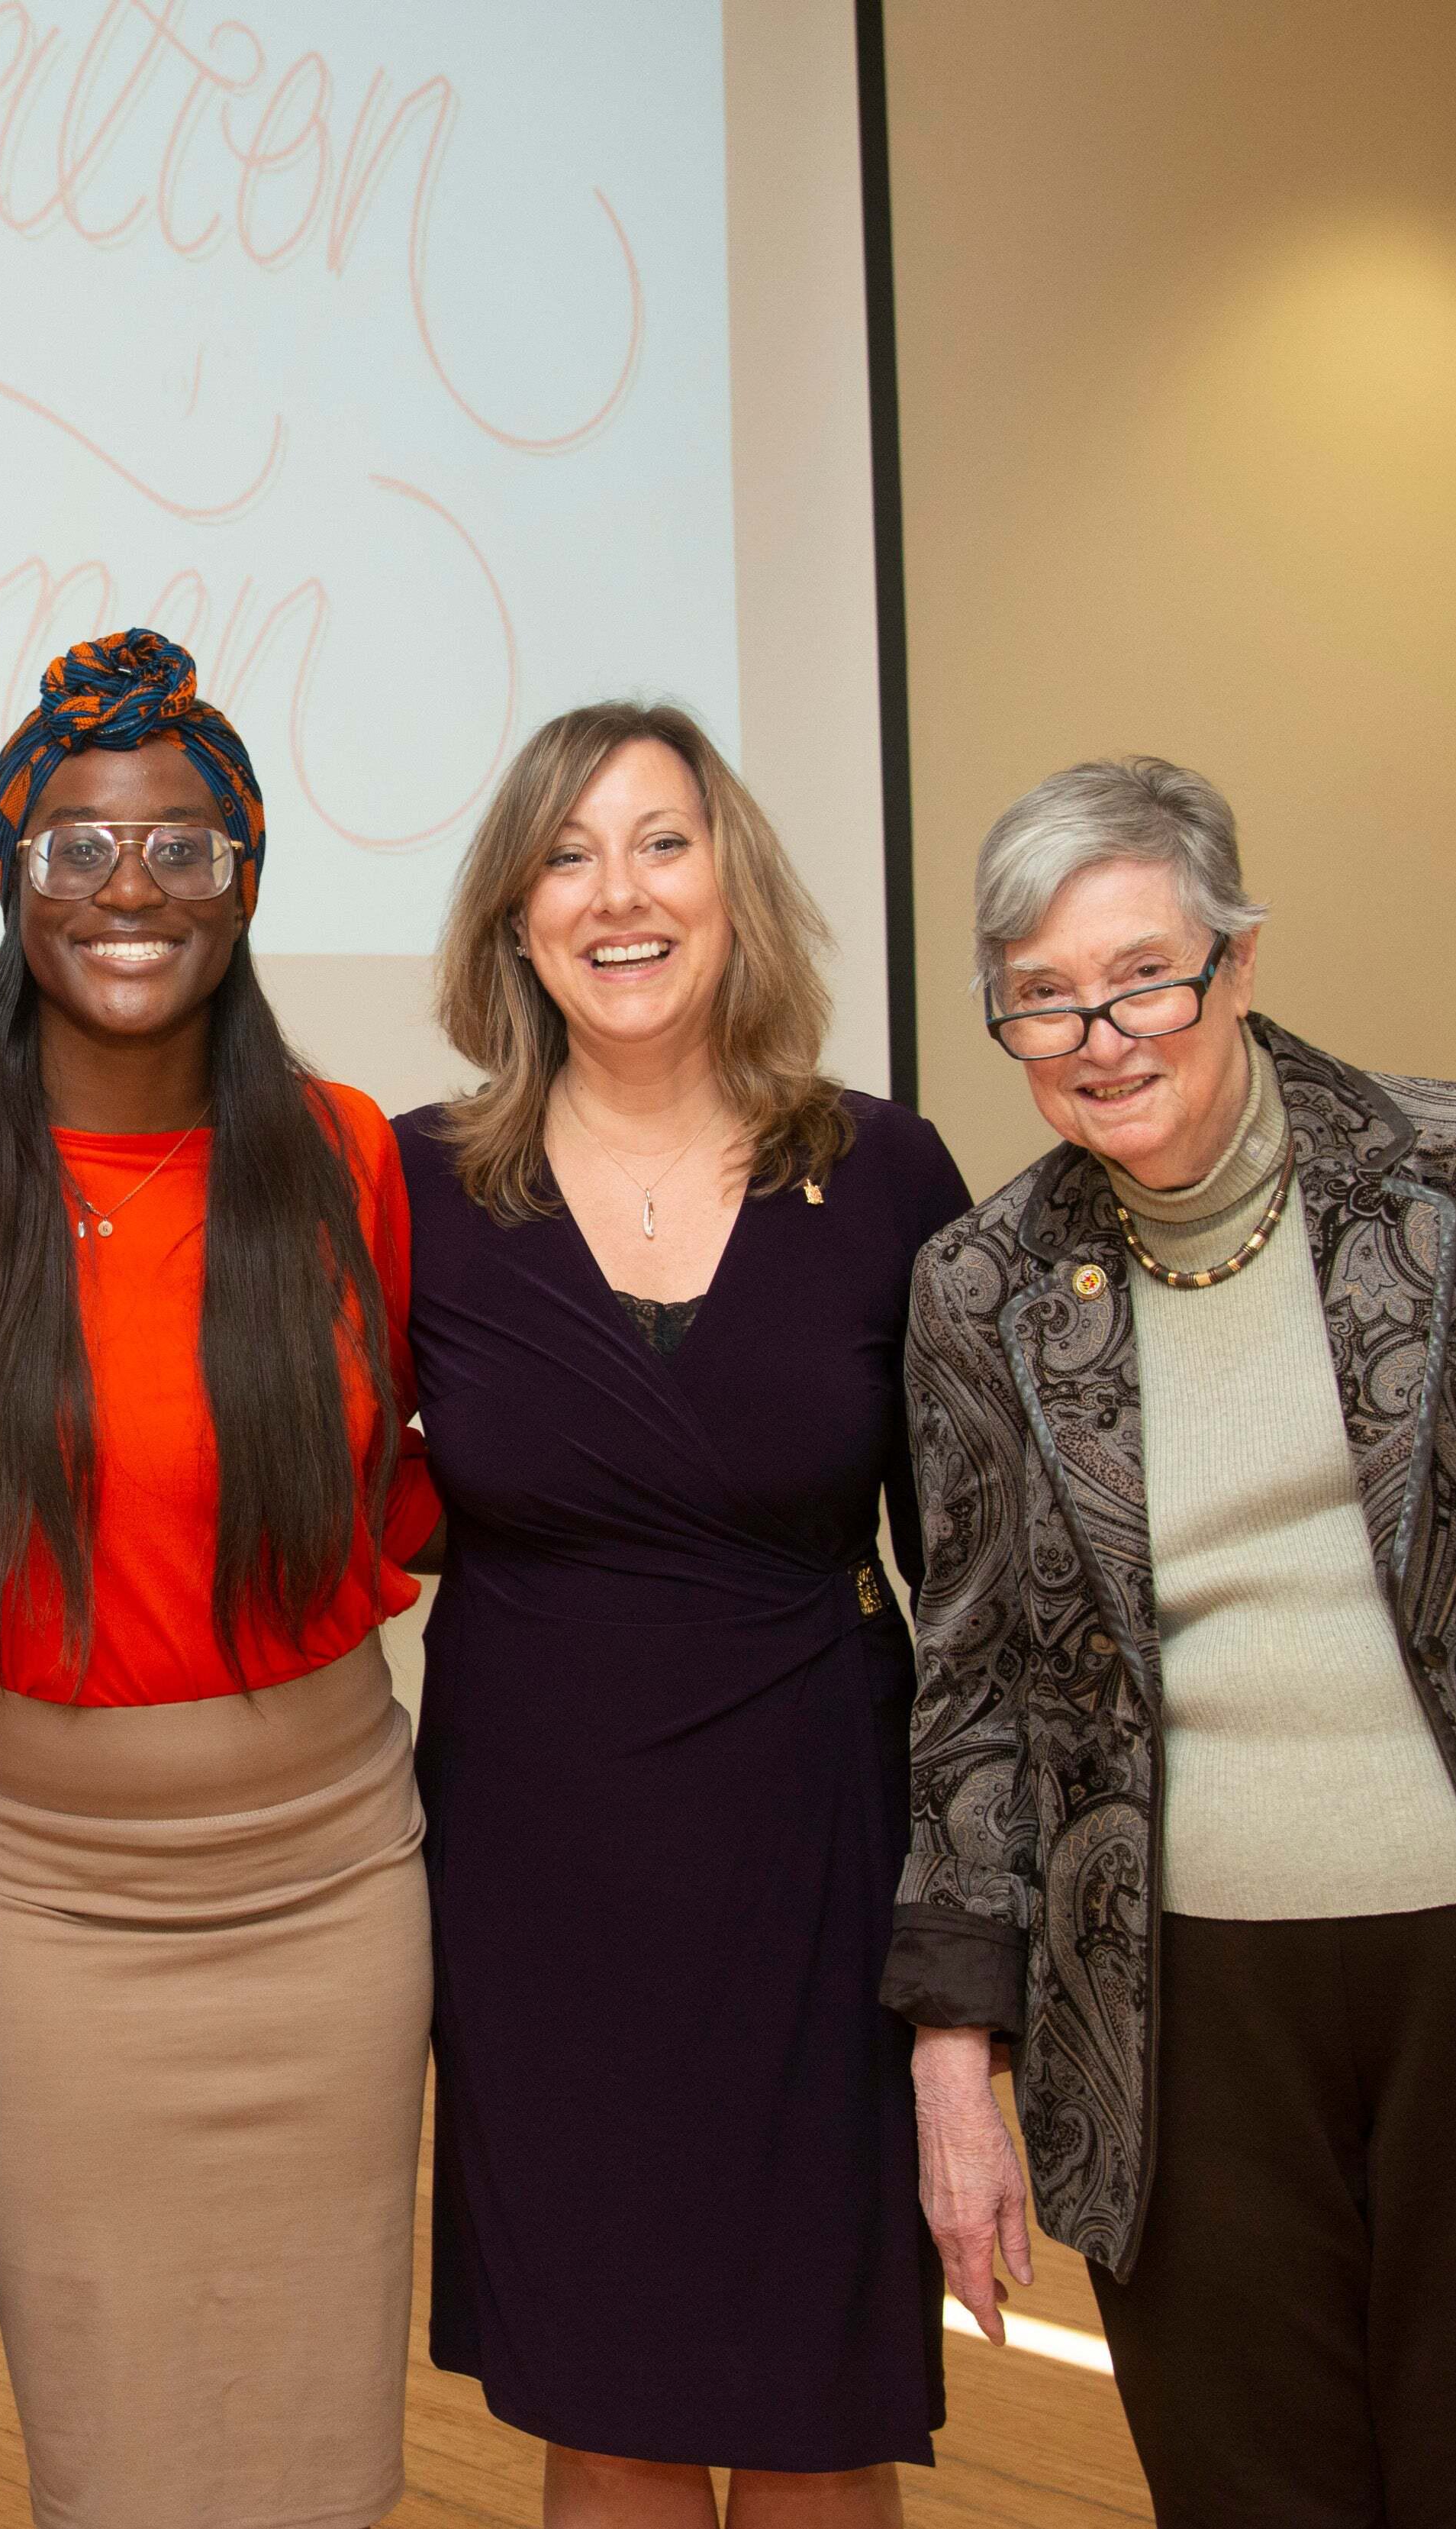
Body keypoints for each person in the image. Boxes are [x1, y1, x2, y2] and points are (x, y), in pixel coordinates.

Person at [892, 757, 1456, 2525]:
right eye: (1039, 999)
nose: (1101, 1035)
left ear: (1237, 964)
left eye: (1143, 974)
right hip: (1181, 2020)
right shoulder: (978, 1288)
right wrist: (957, 2047)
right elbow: (974, 1690)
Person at [0, 628, 443, 2529]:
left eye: (182, 849)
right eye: (76, 848)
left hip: (329, 1886)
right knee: (109, 2427)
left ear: (246, 878)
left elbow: (394, 1481)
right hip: (40, 1906)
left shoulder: (344, 1154)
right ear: (12, 880)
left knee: (317, 2417)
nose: (128, 891)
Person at [396, 704, 968, 2525]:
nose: (616, 892)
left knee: (814, 2400)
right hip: (534, 1867)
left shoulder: (886, 1173)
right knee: (606, 2400)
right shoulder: (416, 1186)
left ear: (733, 887)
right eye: (564, 854)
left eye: (660, 841)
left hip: (816, 1849)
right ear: (513, 916)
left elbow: (965, 1588)